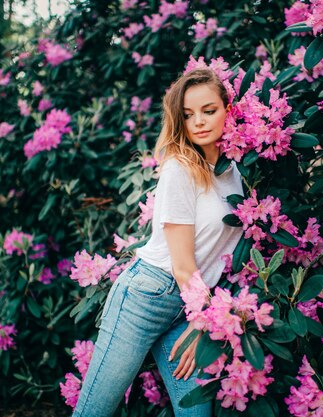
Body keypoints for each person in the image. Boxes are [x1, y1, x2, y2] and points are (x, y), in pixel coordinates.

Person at [72, 67, 244, 417]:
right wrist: (203, 320)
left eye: (209, 110)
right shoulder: (179, 168)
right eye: (187, 115)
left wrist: (201, 315)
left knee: (196, 413)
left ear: (228, 109)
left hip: (191, 304)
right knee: (95, 410)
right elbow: (182, 265)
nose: (198, 121)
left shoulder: (234, 172)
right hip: (148, 297)